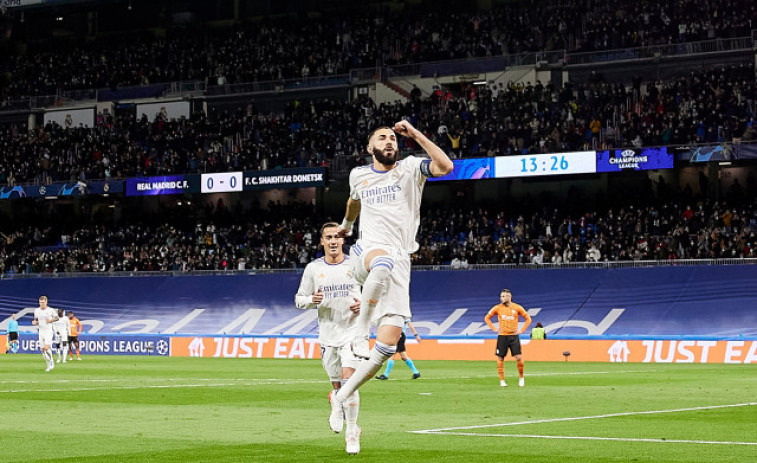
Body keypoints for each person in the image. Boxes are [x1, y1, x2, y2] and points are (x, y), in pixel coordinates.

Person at [329, 120, 453, 439]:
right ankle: (360, 331)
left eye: (392, 138)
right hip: (367, 252)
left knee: (384, 349)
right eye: (381, 138)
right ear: (370, 147)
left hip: (401, 262)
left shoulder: (411, 168)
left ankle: (343, 396)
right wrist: (346, 224)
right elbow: (354, 201)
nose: (389, 141)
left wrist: (416, 135)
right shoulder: (359, 174)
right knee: (381, 262)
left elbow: (445, 166)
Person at [294, 222, 362, 454]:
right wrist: (311, 299)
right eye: (328, 237)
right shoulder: (313, 269)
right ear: (321, 241)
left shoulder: (356, 265)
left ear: (343, 240)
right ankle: (336, 398)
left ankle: (352, 432)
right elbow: (299, 299)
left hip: (353, 332)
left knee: (349, 382)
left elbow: (375, 292)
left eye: (337, 237)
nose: (333, 241)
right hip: (327, 335)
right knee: (338, 384)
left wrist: (363, 305)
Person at [484, 289, 531, 387]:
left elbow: (528, 319)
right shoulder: (497, 308)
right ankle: (502, 381)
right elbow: (487, 318)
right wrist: (493, 328)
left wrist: (521, 330)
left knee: (518, 357)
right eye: (501, 296)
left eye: (504, 296)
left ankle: (521, 378)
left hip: (513, 336)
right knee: (500, 357)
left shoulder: (517, 307)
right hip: (502, 336)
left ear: (509, 297)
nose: (502, 298)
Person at [32, 295, 59, 372]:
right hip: (41, 332)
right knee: (43, 350)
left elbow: (57, 318)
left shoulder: (50, 310)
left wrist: (50, 321)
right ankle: (49, 364)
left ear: (46, 302)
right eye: (40, 302)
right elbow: (36, 320)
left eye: (43, 302)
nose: (41, 304)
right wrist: (35, 322)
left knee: (46, 347)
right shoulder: (37, 311)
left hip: (48, 331)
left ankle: (51, 363)